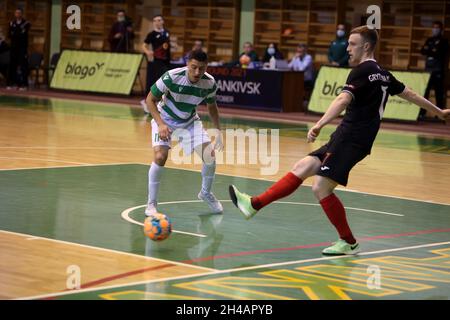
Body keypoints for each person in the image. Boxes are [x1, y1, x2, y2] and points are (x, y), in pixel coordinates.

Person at [229, 26, 450, 256]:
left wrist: (319, 124)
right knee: (303, 167)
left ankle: (349, 242)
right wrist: (438, 112)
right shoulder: (383, 73)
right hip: (348, 137)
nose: (347, 48)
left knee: (321, 187)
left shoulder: (361, 71)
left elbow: (343, 99)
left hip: (352, 138)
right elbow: (410, 93)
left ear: (366, 46)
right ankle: (253, 204)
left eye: (352, 44)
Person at [144, 50, 224, 216]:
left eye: (201, 69)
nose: (197, 72)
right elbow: (150, 100)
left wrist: (218, 131)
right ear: (187, 63)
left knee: (210, 156)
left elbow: (212, 107)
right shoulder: (171, 77)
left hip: (189, 122)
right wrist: (160, 124)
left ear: (206, 67)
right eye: (193, 67)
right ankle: (151, 204)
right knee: (160, 157)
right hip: (165, 119)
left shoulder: (209, 83)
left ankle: (205, 193)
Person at [420, 21, 449, 118]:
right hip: (427, 71)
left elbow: (439, 53)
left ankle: (439, 114)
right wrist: (432, 51)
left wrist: (431, 51)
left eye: (437, 28)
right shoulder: (429, 40)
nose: (435, 29)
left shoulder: (444, 41)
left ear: (441, 29)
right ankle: (422, 113)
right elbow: (423, 50)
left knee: (438, 94)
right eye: (434, 27)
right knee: (425, 93)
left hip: (438, 71)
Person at [142, 15, 171, 95]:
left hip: (167, 60)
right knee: (162, 78)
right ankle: (153, 96)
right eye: (155, 21)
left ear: (162, 21)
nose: (157, 22)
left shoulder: (167, 32)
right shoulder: (152, 34)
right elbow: (144, 45)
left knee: (166, 78)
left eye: (159, 20)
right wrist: (148, 52)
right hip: (158, 60)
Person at [7, 8, 30, 90]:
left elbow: (22, 35)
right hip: (13, 48)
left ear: (22, 14)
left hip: (22, 48)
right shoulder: (11, 23)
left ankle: (24, 85)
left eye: (19, 13)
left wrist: (16, 33)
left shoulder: (26, 23)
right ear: (14, 14)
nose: (17, 14)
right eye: (16, 13)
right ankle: (13, 83)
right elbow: (10, 35)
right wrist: (17, 32)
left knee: (23, 66)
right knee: (12, 66)